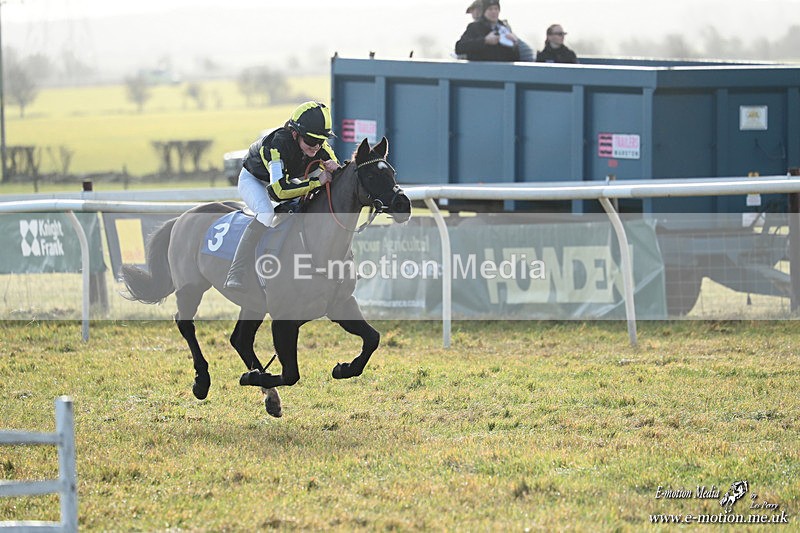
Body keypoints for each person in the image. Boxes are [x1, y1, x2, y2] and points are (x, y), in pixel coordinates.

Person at [224, 101, 340, 290]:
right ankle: (235, 271)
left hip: (284, 180)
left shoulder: (319, 146)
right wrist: (316, 182)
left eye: (321, 141)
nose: (317, 147)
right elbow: (278, 191)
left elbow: (336, 173)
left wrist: (337, 169)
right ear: (295, 134)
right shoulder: (277, 145)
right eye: (311, 141)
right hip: (255, 180)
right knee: (266, 214)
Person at [455, 0, 520, 62]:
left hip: (502, 70)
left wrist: (514, 45)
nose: (493, 12)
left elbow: (515, 58)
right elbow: (459, 47)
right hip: (481, 70)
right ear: (484, 11)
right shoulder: (474, 27)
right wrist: (485, 41)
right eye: (490, 9)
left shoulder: (504, 29)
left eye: (496, 9)